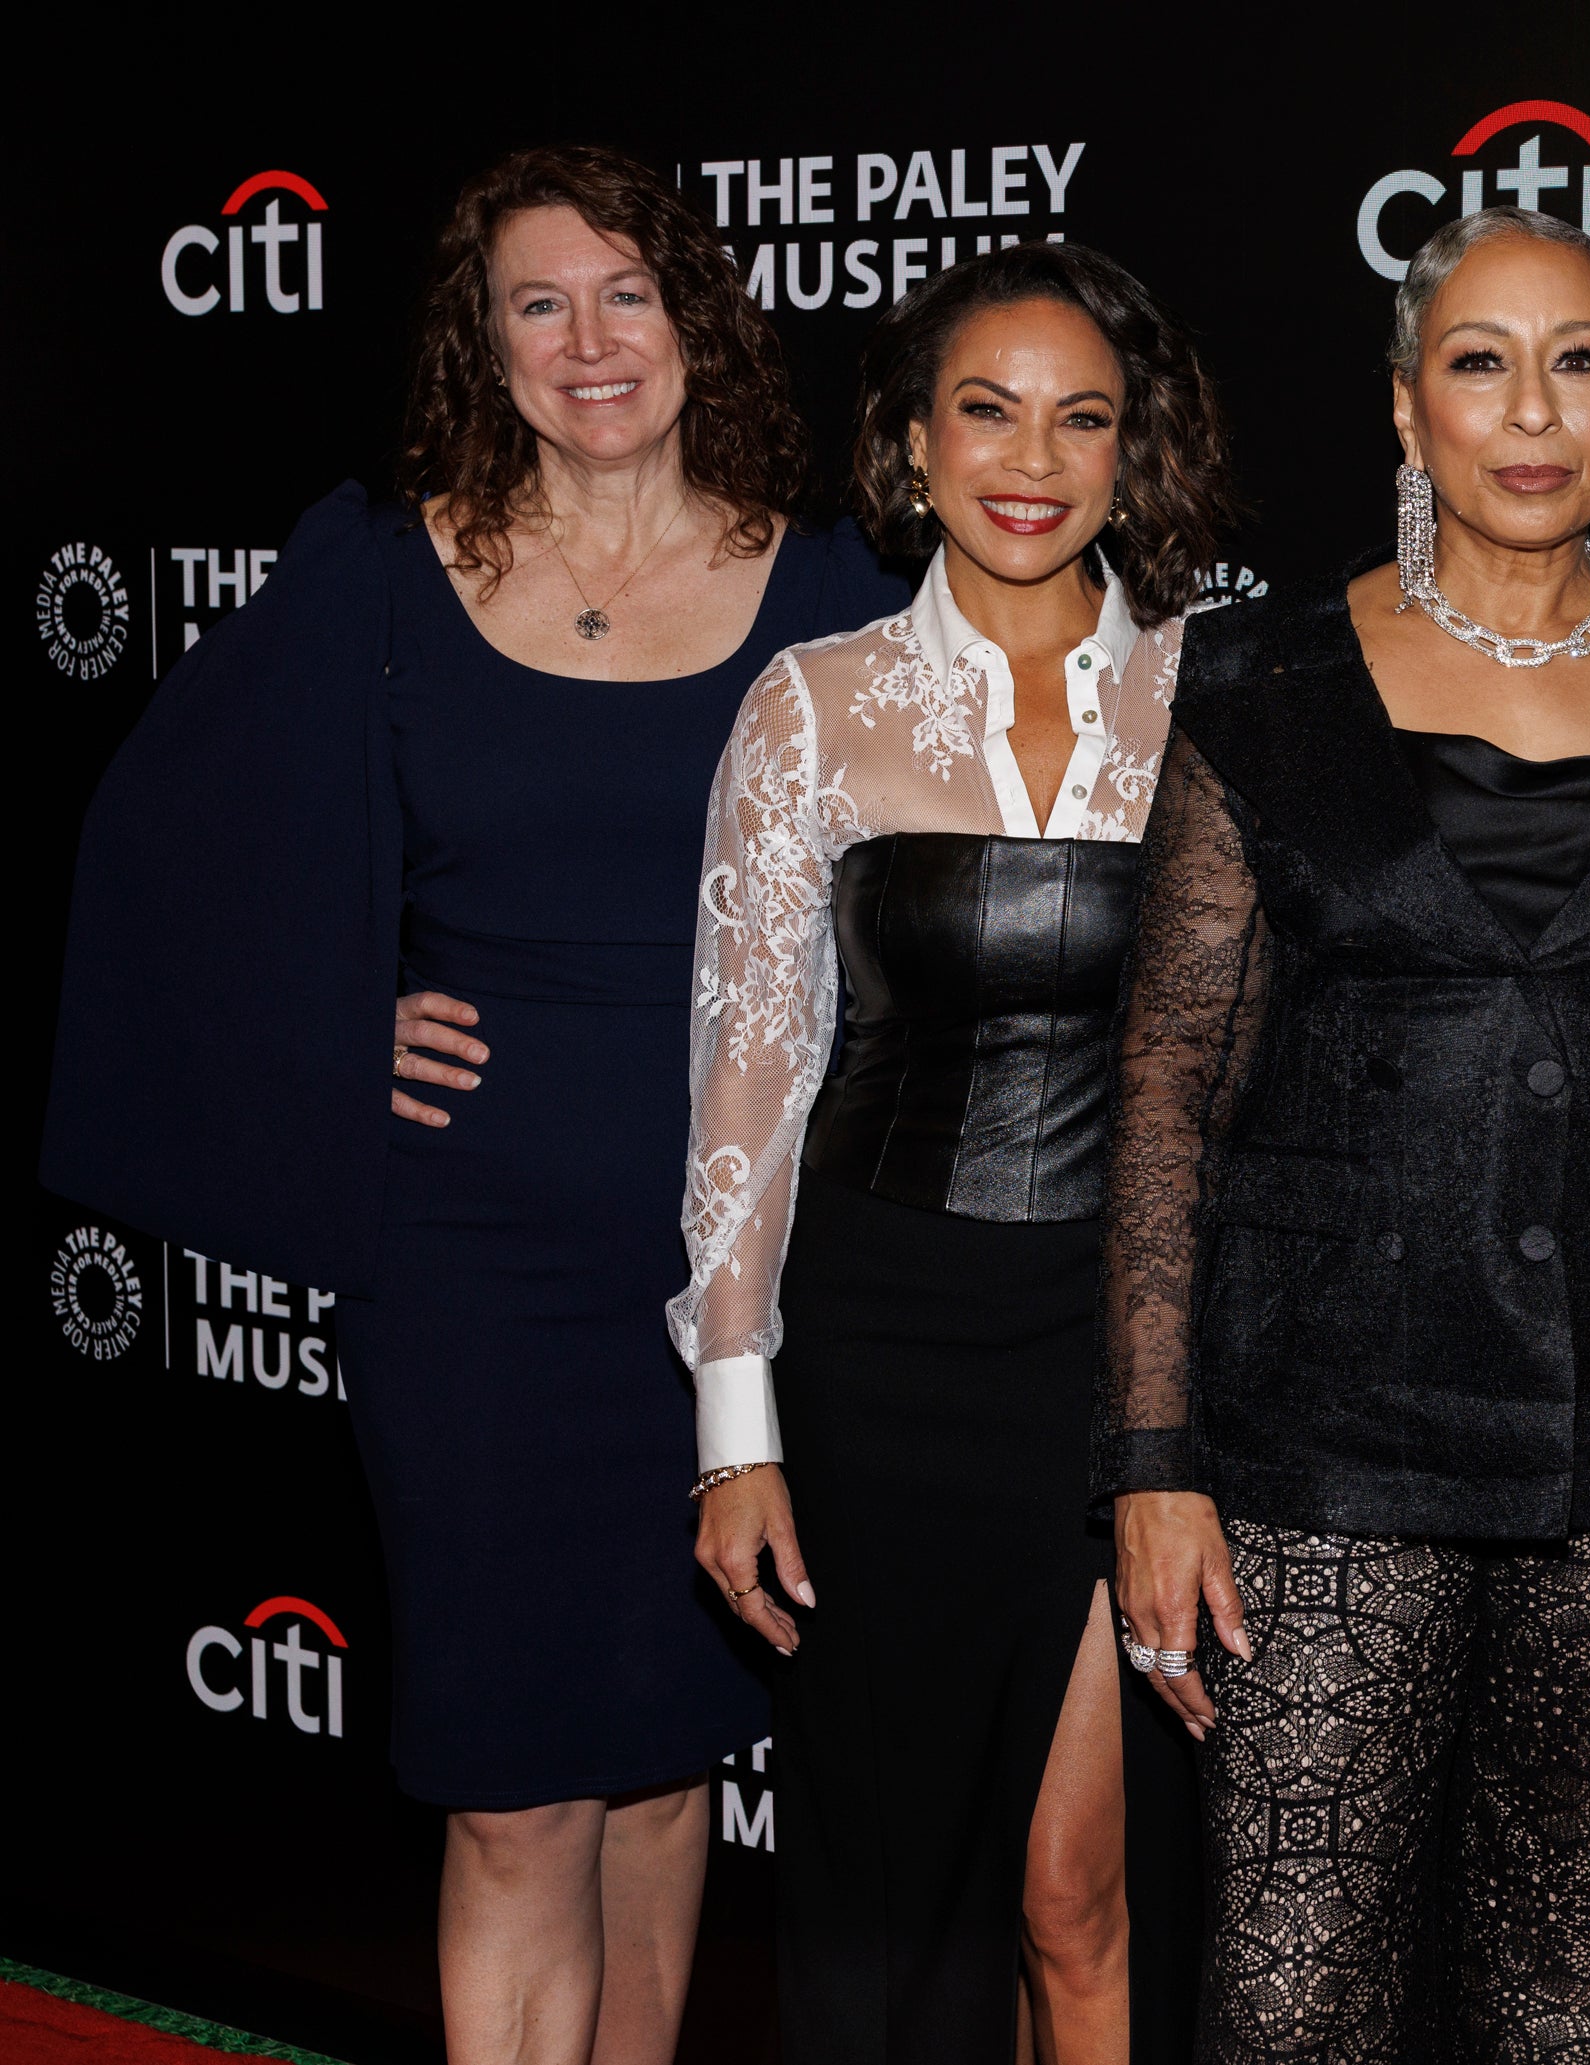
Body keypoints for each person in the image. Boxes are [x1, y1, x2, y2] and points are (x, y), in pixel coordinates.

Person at [42, 145, 909, 2062]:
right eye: (541, 302)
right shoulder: (380, 567)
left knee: (675, 1767)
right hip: (468, 1275)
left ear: (697, 315)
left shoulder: (835, 582)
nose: (591, 343)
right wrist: (332, 1014)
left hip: (731, 1287)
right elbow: (162, 851)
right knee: (518, 1793)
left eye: (628, 294)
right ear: (485, 341)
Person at [1101, 206, 1590, 2062]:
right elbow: (1169, 1082)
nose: (1530, 408)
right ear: (1409, 413)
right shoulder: (1260, 682)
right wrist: (1155, 1456)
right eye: (1479, 361)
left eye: (1575, 361)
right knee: (1293, 2003)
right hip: (1321, 1461)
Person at [672, 240, 1231, 2065]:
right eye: (984, 408)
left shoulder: (1210, 702)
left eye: (1082, 416)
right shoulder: (812, 705)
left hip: (1119, 1359)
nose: (1030, 455)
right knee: (897, 1898)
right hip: (883, 1356)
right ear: (911, 443)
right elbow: (749, 1077)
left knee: (1088, 1891)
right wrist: (735, 1430)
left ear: (1129, 451)